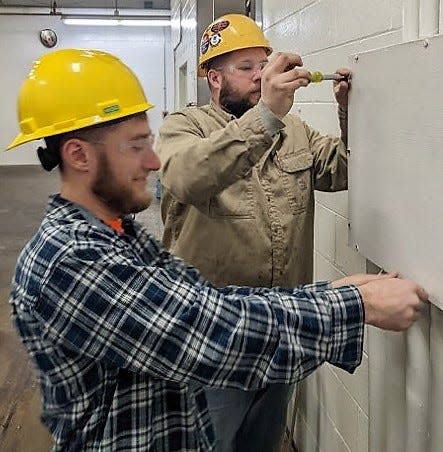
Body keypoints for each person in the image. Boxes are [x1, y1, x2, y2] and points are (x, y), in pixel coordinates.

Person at [7, 48, 427, 452]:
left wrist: (332, 293)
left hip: (253, 344)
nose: (152, 162)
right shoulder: (72, 260)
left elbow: (207, 303)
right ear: (79, 155)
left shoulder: (119, 236)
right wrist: (356, 304)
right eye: (136, 145)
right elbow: (207, 329)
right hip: (222, 360)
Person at [156, 13, 351, 451]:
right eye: (245, 68)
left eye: (262, 64)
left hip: (281, 332)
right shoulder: (182, 128)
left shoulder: (294, 130)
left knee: (261, 442)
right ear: (213, 79)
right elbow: (189, 177)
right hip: (213, 340)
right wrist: (266, 115)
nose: (260, 75)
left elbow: (342, 168)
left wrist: (348, 110)